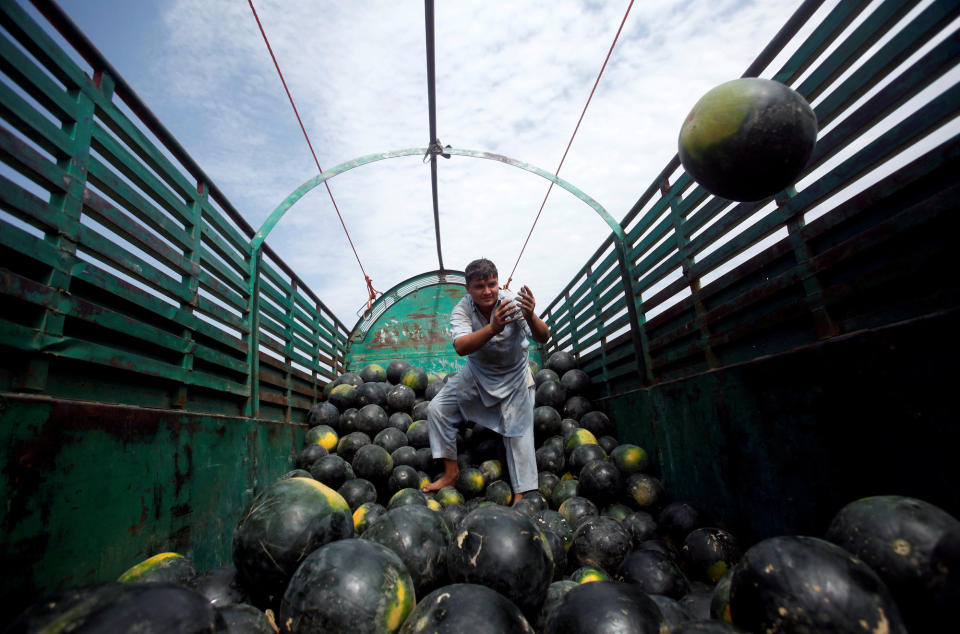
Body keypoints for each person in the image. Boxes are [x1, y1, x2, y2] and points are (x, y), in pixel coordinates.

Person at [422, 258, 550, 503]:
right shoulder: (462, 309)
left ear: (498, 283)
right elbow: (461, 347)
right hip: (477, 373)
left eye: (492, 284)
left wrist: (531, 316)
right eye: (480, 286)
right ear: (468, 288)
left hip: (515, 377)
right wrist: (493, 328)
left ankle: (522, 494)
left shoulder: (511, 303)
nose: (488, 291)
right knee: (438, 409)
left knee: (519, 434)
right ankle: (451, 473)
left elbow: (543, 337)